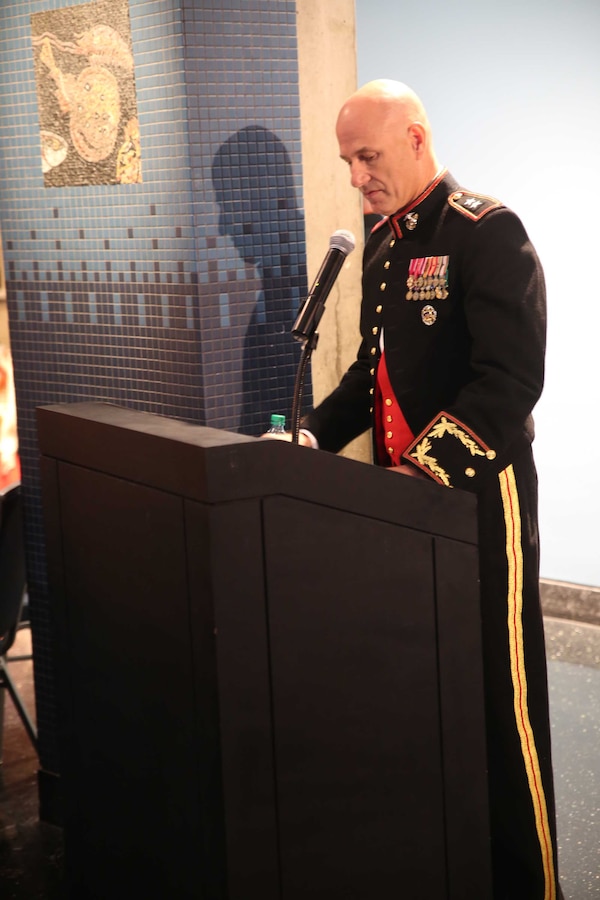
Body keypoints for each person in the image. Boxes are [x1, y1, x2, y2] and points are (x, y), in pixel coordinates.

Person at [270, 79, 562, 899]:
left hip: (479, 504)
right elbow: (374, 372)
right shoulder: (382, 242)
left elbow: (509, 383)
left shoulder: (486, 230)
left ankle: (533, 884)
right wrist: (309, 434)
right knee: (428, 700)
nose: (357, 176)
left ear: (416, 137)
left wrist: (421, 475)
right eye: (347, 162)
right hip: (405, 514)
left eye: (368, 157)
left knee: (504, 715)